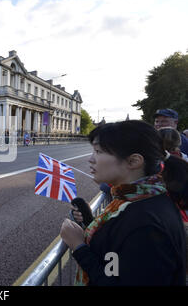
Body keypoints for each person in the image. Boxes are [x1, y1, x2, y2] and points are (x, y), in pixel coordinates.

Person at [60, 120, 187, 286]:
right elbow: (118, 254)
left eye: (98, 151)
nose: (91, 159)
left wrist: (79, 247)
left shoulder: (145, 224)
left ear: (133, 161)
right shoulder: (139, 201)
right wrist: (88, 221)